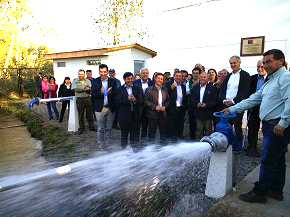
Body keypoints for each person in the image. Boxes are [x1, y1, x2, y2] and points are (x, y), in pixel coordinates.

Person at [222, 49, 290, 203]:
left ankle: (259, 193)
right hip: (270, 125)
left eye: (269, 62)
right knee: (277, 160)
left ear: (281, 60)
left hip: (277, 126)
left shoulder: (285, 77)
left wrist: (283, 124)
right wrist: (231, 109)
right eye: (264, 62)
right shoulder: (270, 80)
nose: (265, 65)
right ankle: (276, 190)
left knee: (267, 160)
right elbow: (253, 99)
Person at [220, 55, 250, 146]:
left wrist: (233, 101)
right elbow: (223, 89)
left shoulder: (245, 75)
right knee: (226, 126)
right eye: (231, 63)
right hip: (226, 105)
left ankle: (237, 145)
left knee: (237, 126)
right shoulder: (228, 76)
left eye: (234, 63)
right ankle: (226, 143)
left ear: (239, 63)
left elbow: (245, 91)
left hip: (237, 105)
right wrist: (225, 100)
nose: (232, 65)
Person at [91, 64, 117, 147]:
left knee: (109, 128)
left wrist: (111, 92)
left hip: (110, 107)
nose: (103, 74)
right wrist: (101, 93)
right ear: (99, 72)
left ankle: (108, 144)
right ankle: (101, 145)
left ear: (107, 72)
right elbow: (93, 94)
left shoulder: (112, 81)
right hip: (100, 108)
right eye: (101, 72)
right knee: (100, 128)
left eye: (104, 72)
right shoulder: (95, 81)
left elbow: (116, 93)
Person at [116, 72, 142, 149]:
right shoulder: (119, 89)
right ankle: (124, 151)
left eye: (131, 78)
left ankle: (135, 151)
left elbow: (141, 100)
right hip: (124, 116)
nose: (130, 80)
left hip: (135, 116)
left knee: (135, 135)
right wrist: (128, 100)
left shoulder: (137, 88)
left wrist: (135, 100)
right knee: (124, 135)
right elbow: (117, 101)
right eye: (128, 79)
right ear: (124, 79)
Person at [144, 73, 169, 144]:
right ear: (155, 79)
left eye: (161, 79)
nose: (160, 80)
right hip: (152, 114)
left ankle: (162, 149)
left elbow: (168, 100)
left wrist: (165, 106)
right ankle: (150, 149)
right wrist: (154, 107)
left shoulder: (165, 89)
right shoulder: (149, 89)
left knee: (163, 132)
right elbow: (146, 100)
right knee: (152, 133)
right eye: (158, 78)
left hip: (162, 113)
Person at [190, 73, 217, 139]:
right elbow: (191, 99)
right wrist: (197, 104)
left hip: (208, 112)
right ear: (199, 78)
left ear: (207, 78)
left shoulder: (212, 88)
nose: (202, 78)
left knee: (208, 130)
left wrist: (206, 105)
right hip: (198, 111)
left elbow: (215, 100)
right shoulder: (195, 87)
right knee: (199, 129)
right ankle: (198, 144)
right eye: (201, 77)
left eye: (204, 77)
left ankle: (208, 144)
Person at [164, 70, 187, 142]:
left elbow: (184, 97)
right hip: (171, 109)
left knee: (178, 125)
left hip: (180, 108)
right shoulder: (168, 84)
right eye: (177, 76)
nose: (178, 77)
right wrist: (171, 88)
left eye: (180, 76)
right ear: (174, 76)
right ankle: (167, 142)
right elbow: (164, 94)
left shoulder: (183, 86)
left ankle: (175, 141)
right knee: (170, 125)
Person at [72, 69, 95, 135]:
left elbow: (90, 89)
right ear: (78, 74)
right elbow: (76, 89)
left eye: (82, 74)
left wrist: (86, 89)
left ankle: (91, 126)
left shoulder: (87, 81)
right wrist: (84, 89)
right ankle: (81, 128)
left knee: (90, 113)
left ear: (84, 75)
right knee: (81, 114)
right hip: (80, 99)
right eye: (80, 74)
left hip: (88, 98)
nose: (81, 75)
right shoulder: (75, 81)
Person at [133, 68, 154, 142]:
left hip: (148, 108)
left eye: (146, 73)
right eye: (143, 73)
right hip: (138, 107)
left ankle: (143, 143)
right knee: (137, 126)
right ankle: (136, 143)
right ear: (140, 74)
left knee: (145, 126)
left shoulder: (151, 83)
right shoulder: (135, 83)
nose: (145, 74)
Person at [186, 67, 201, 139]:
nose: (195, 75)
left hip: (200, 104)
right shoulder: (189, 82)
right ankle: (192, 136)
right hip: (191, 104)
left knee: (199, 120)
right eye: (194, 73)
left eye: (197, 73)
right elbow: (186, 92)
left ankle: (199, 135)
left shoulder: (202, 81)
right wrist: (192, 87)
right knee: (191, 120)